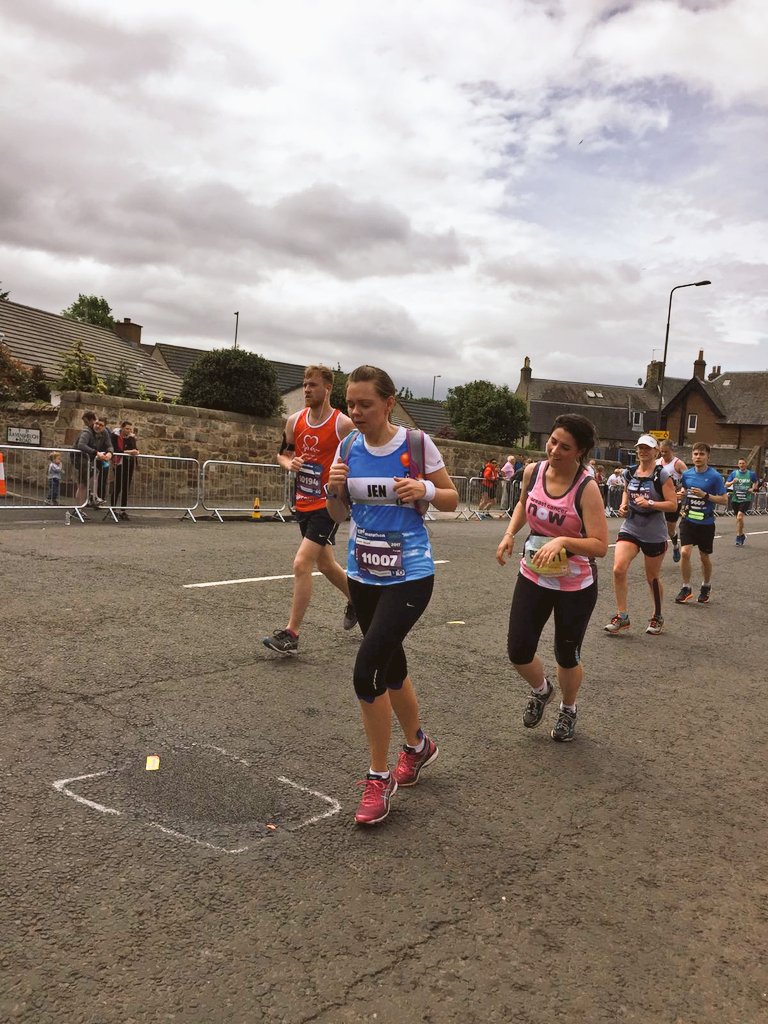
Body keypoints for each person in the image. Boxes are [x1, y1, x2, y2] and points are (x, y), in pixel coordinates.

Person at [325, 364, 458, 825]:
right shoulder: (346, 448)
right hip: (363, 573)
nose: (356, 412)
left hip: (410, 575)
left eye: (365, 404)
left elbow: (451, 499)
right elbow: (338, 513)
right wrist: (334, 488)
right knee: (392, 665)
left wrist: (423, 487)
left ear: (388, 403)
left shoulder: (417, 444)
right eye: (350, 404)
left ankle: (378, 778)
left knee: (367, 671)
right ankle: (419, 747)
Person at [496, 414, 607, 743]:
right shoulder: (533, 471)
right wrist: (509, 533)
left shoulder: (587, 489)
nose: (555, 450)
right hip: (533, 574)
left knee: (566, 654)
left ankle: (568, 708)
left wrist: (564, 541)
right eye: (553, 441)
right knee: (518, 650)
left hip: (575, 584)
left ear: (581, 452)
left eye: (565, 446)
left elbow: (600, 545)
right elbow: (521, 505)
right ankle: (542, 690)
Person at [262, 365, 356, 656]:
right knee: (326, 564)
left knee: (301, 563)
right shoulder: (294, 421)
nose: (306, 390)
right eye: (304, 384)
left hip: (328, 505)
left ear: (327, 389)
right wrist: (289, 463)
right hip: (303, 500)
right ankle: (360, 601)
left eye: (312, 385)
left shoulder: (342, 424)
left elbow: (360, 455)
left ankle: (292, 634)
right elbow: (283, 453)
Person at [604, 435, 678, 636]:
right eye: (640, 448)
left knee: (651, 577)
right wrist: (623, 505)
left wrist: (651, 504)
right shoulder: (630, 473)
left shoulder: (661, 475)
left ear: (656, 452)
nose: (643, 451)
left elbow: (673, 504)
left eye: (648, 448)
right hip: (631, 527)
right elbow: (628, 491)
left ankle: (657, 615)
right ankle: (622, 616)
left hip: (654, 531)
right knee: (619, 569)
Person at [675, 443, 728, 604]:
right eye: (696, 454)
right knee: (685, 553)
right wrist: (681, 495)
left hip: (706, 522)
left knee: (704, 557)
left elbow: (724, 500)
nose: (698, 457)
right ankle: (686, 587)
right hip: (688, 520)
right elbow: (683, 492)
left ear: (708, 457)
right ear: (692, 456)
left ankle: (706, 585)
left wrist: (706, 495)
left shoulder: (715, 477)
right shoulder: (687, 475)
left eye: (702, 454)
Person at [656, 440, 687, 562]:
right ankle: (658, 551)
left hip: (673, 501)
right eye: (661, 451)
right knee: (657, 527)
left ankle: (675, 545)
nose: (663, 454)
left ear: (672, 451)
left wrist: (683, 491)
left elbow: (688, 480)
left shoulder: (678, 464)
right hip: (659, 500)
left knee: (670, 530)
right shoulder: (657, 463)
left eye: (666, 452)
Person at [110, 420, 140, 520]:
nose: (128, 431)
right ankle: (113, 509)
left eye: (130, 429)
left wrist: (135, 452)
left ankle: (123, 510)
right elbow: (116, 449)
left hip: (129, 463)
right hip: (119, 463)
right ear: (122, 428)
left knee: (126, 487)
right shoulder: (115, 436)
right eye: (127, 428)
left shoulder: (131, 438)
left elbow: (135, 449)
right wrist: (129, 451)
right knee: (117, 486)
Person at [725, 458, 758, 546]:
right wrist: (732, 482)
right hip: (735, 499)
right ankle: (741, 534)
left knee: (739, 517)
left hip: (746, 498)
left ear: (746, 464)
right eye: (740, 463)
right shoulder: (734, 473)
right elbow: (726, 484)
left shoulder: (751, 474)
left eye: (743, 463)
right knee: (739, 519)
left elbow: (755, 482)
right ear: (738, 464)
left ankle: (738, 537)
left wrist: (752, 488)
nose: (741, 465)